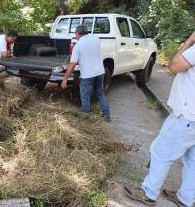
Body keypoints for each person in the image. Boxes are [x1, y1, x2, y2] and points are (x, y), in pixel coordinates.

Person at [124, 32, 195, 207]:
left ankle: (149, 193)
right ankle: (185, 198)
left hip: (186, 116)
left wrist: (190, 40)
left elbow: (174, 66)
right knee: (193, 161)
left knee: (161, 154)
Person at [61, 25, 110, 120]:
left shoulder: (78, 46)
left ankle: (87, 119)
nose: (76, 37)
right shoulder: (95, 39)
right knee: (100, 93)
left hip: (88, 75)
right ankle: (106, 116)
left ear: (77, 34)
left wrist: (65, 79)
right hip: (100, 72)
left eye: (75, 35)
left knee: (85, 96)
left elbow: (72, 65)